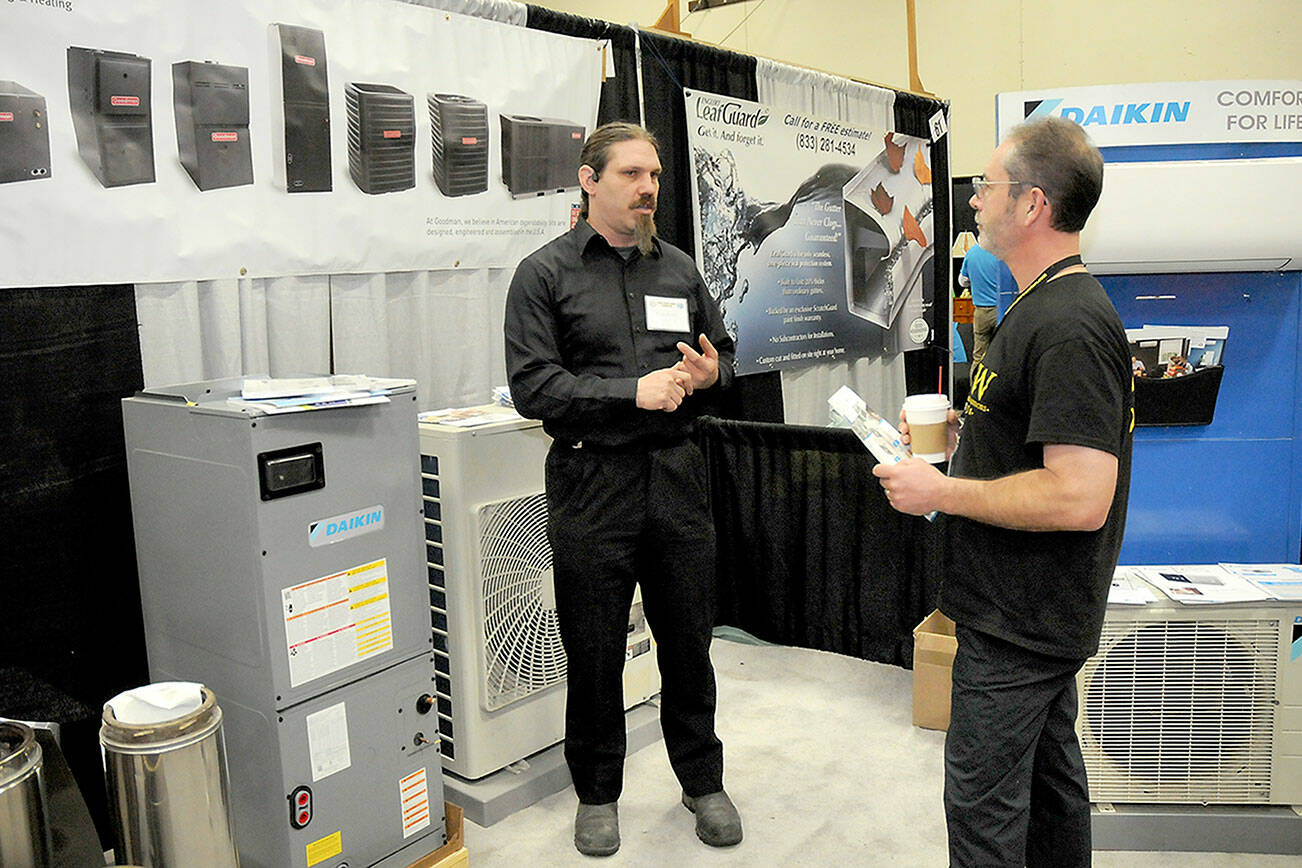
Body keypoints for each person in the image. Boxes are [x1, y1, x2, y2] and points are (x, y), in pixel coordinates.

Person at [872, 117, 1133, 867]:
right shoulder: (1039, 304)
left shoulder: (1070, 324)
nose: (975, 202)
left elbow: (1080, 496)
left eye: (987, 187)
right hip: (1027, 614)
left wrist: (942, 492)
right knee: (1051, 803)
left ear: (1032, 206)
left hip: (1021, 621)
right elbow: (1037, 443)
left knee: (984, 817)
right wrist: (966, 440)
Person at [503, 122, 742, 858]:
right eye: (633, 174)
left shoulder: (677, 270)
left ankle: (702, 781)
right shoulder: (543, 275)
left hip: (675, 479)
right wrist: (627, 394)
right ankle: (597, 793)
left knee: (688, 642)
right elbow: (532, 386)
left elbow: (723, 356)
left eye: (656, 176)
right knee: (596, 648)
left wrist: (710, 376)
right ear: (589, 180)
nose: (648, 189)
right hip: (590, 484)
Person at [957, 239, 1014, 364]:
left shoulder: (971, 253)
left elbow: (962, 281)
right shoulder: (1003, 252)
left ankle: (976, 383)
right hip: (1002, 311)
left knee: (978, 356)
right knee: (1003, 356)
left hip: (981, 313)